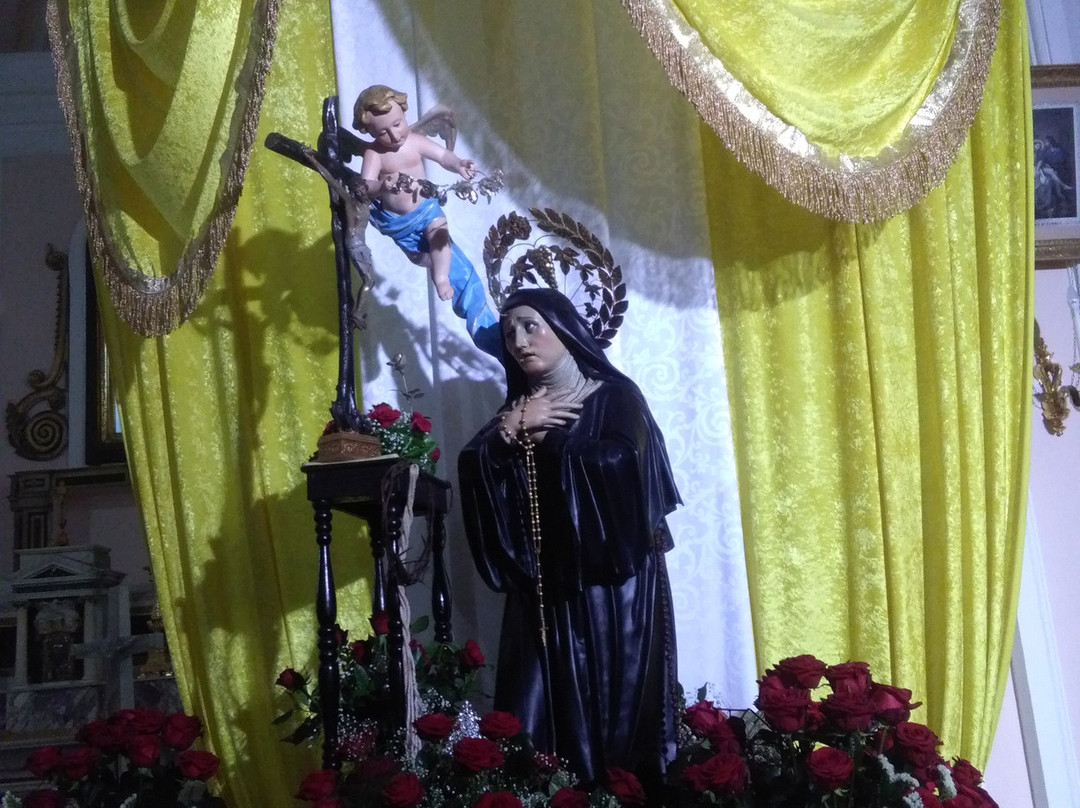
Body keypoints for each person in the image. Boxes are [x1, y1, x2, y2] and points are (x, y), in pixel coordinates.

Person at [458, 288, 681, 789]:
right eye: (509, 331)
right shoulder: (518, 409)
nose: (519, 341)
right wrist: (513, 428)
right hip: (545, 586)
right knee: (537, 706)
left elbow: (623, 465)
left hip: (613, 589)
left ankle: (613, 792)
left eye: (530, 326)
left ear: (563, 329)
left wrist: (550, 440)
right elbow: (474, 464)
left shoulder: (615, 396)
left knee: (612, 708)